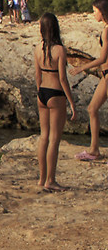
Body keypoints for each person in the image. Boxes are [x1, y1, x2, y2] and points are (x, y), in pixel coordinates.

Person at [36, 13, 73, 192]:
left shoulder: (37, 48)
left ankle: (41, 178)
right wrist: (71, 102)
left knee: (43, 136)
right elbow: (63, 79)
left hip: (41, 93)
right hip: (56, 93)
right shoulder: (60, 50)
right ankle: (51, 179)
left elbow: (37, 76)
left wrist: (39, 93)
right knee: (54, 139)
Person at [83, 0, 108, 163]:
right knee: (92, 108)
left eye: (94, 11)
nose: (93, 14)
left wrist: (81, 67)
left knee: (92, 109)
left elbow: (103, 58)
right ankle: (94, 149)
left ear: (102, 11)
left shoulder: (107, 31)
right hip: (106, 75)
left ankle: (94, 150)